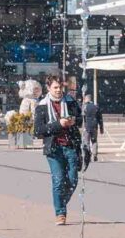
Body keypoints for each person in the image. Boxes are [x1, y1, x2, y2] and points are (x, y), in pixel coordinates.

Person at [33, 74, 83, 226]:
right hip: (54, 149)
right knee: (59, 180)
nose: (58, 90)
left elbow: (80, 120)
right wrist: (58, 124)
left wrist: (74, 121)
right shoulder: (42, 106)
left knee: (73, 180)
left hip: (71, 147)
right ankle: (60, 212)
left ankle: (60, 202)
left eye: (60, 87)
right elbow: (38, 131)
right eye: (55, 87)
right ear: (48, 88)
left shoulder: (70, 102)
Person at [81, 93, 104, 164]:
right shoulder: (96, 107)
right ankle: (95, 154)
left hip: (87, 127)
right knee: (94, 141)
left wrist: (82, 127)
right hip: (95, 126)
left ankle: (88, 155)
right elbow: (100, 118)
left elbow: (83, 117)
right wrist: (101, 128)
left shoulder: (84, 107)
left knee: (86, 142)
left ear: (86, 99)